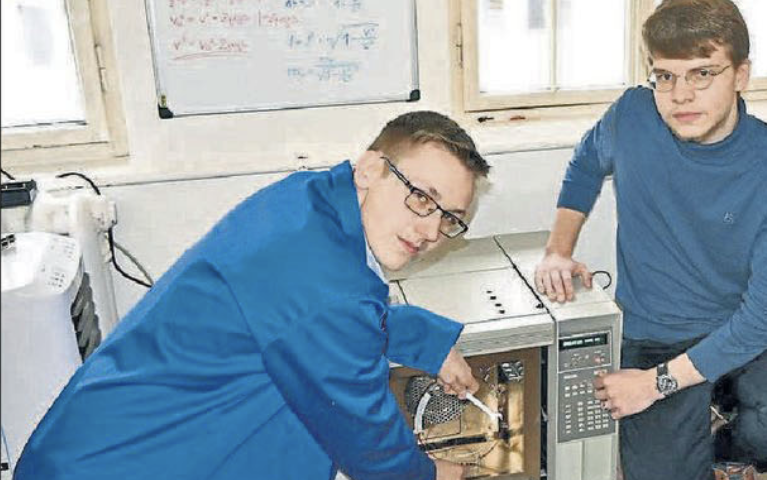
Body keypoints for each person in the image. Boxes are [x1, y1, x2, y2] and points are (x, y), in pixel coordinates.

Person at [15, 111, 491, 480]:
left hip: (105, 442)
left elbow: (309, 320)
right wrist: (429, 474)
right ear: (370, 169)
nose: (431, 230)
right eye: (421, 197)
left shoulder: (312, 200)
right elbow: (366, 438)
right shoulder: (321, 281)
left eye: (450, 218)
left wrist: (427, 340)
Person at [533, 1, 767, 479]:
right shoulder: (633, 116)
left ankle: (725, 450)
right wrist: (558, 250)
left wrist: (654, 385)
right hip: (652, 336)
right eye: (666, 76)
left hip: (741, 332)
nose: (680, 95)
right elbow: (585, 164)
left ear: (741, 75)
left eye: (703, 74)